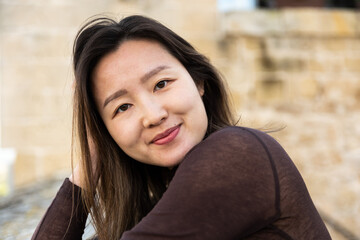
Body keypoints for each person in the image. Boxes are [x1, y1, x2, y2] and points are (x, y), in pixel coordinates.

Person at [31, 15, 331, 240]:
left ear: (198, 81)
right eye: (122, 107)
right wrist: (88, 165)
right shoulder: (153, 208)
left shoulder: (238, 154)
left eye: (161, 84)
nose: (152, 115)